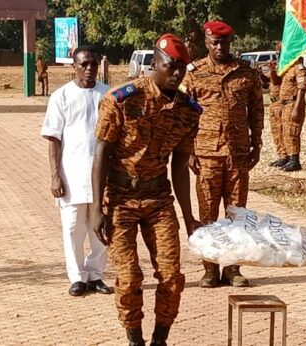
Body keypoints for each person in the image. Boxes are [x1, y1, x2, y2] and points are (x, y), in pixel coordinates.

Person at [89, 33, 202, 346]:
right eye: (171, 66)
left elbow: (180, 167)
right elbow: (101, 153)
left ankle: (159, 340)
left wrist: (189, 217)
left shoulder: (188, 111)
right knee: (128, 279)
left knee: (172, 277)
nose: (177, 73)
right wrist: (97, 208)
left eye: (182, 68)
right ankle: (134, 339)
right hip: (120, 200)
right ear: (155, 63)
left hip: (158, 200)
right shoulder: (122, 99)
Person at [181, 20, 264, 288]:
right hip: (206, 154)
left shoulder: (246, 73)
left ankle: (232, 269)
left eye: (223, 42)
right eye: (214, 42)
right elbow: (184, 113)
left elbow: (256, 110)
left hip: (238, 153)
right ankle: (209, 268)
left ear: (230, 42)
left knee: (237, 214)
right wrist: (188, 149)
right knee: (207, 214)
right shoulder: (194, 73)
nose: (219, 47)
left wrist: (257, 143)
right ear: (206, 42)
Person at [40, 46, 111, 297]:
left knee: (100, 227)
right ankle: (77, 277)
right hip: (72, 175)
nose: (89, 69)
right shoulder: (61, 96)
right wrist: (55, 175)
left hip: (103, 176)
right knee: (72, 228)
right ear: (74, 67)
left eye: (92, 64)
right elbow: (53, 139)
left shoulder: (108, 95)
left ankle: (96, 275)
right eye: (83, 64)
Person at [278, 54, 306, 172]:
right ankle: (289, 157)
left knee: (292, 132)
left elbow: (302, 89)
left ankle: (295, 160)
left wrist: (297, 108)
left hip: (294, 103)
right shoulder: (289, 68)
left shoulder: (300, 69)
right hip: (286, 104)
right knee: (286, 131)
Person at [269, 42, 288, 167]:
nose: (278, 53)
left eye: (279, 51)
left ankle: (286, 155)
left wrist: (272, 70)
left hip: (280, 103)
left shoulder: (286, 65)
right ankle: (281, 154)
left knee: (282, 131)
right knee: (276, 132)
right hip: (273, 102)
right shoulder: (279, 65)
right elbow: (270, 79)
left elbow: (276, 81)